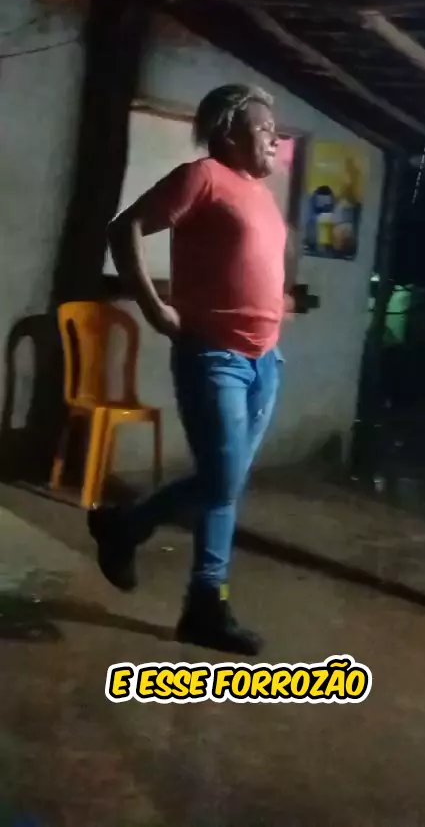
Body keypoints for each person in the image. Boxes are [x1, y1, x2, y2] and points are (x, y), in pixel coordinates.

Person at [88, 84, 290, 656]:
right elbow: (124, 228)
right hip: (215, 357)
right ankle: (126, 526)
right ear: (228, 131)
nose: (274, 137)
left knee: (226, 485)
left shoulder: (261, 194)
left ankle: (204, 604)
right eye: (263, 127)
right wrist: (155, 309)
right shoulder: (202, 177)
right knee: (221, 481)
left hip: (265, 360)